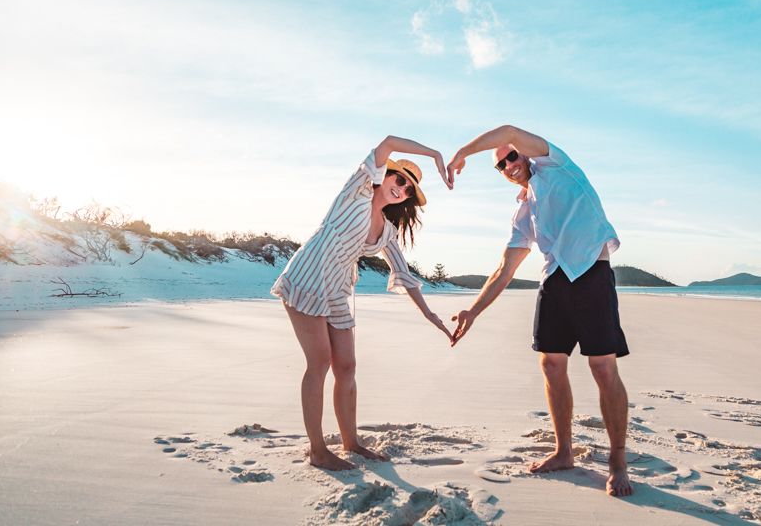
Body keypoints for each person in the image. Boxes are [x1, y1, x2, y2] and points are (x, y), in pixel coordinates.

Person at [446, 125, 634, 497]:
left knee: (602, 367)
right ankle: (564, 451)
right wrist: (473, 311)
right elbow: (506, 268)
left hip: (591, 273)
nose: (509, 166)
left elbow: (509, 129)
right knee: (550, 364)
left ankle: (617, 459)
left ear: (524, 153)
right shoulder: (524, 208)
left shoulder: (557, 165)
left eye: (511, 157)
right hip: (554, 280)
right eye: (500, 166)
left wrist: (462, 153)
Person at [271, 136, 454, 471]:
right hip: (309, 276)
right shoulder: (356, 190)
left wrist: (430, 315)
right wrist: (434, 153)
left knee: (348, 366)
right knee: (320, 362)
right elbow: (387, 143)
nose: (401, 187)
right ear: (385, 175)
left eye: (409, 188)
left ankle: (351, 441)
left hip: (338, 289)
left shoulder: (386, 230)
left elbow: (404, 273)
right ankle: (317, 450)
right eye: (399, 178)